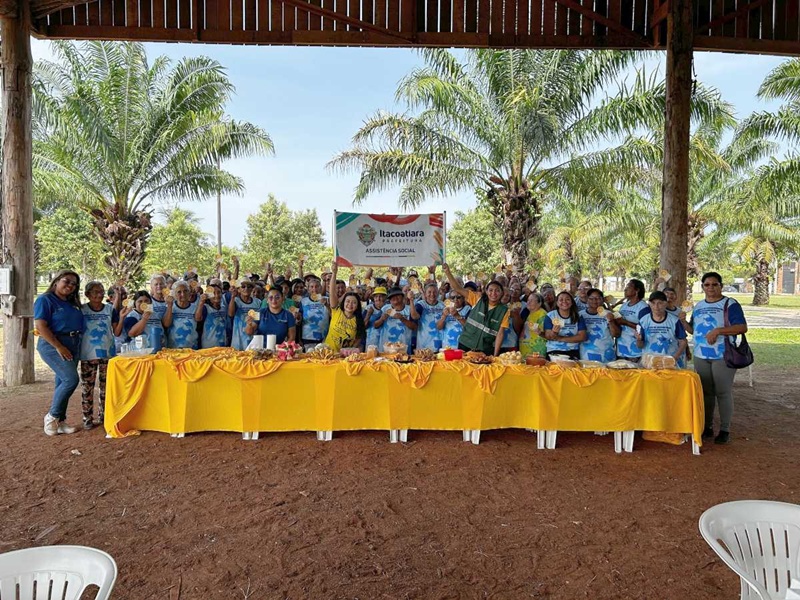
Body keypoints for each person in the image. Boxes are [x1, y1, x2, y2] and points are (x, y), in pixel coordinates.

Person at [680, 272, 748, 445]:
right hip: (701, 355)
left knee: (723, 392)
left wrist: (718, 331)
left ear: (721, 286)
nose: (710, 288)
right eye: (707, 285)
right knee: (706, 392)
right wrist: (683, 322)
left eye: (714, 284)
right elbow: (694, 331)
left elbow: (741, 327)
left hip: (723, 355)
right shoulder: (700, 306)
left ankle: (725, 429)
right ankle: (707, 427)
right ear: (702, 287)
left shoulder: (729, 304)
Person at [34, 270, 85, 436]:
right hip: (54, 344)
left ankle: (60, 422)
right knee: (71, 379)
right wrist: (58, 346)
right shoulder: (45, 300)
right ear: (56, 281)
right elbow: (41, 326)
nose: (70, 285)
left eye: (74, 284)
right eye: (67, 281)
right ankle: (52, 416)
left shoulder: (71, 303)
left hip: (73, 344)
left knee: (61, 382)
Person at [79, 281, 125, 429]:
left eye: (101, 291)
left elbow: (116, 332)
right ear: (87, 295)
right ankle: (87, 418)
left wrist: (122, 317)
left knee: (107, 387)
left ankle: (105, 416)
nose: (99, 295)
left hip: (108, 354)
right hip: (88, 354)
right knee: (87, 387)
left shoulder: (110, 310)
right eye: (95, 292)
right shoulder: (82, 310)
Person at [442, 263, 509, 356]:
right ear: (486, 291)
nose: (494, 293)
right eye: (491, 290)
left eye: (497, 290)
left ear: (502, 293)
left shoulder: (504, 310)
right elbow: (457, 288)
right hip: (465, 344)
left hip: (484, 349)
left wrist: (495, 356)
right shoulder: (477, 298)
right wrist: (447, 272)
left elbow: (500, 334)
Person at [636, 291, 688, 365]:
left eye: (659, 303)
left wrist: (675, 358)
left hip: (670, 362)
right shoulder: (643, 321)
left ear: (665, 303)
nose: (656, 306)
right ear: (649, 304)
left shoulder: (674, 321)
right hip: (650, 363)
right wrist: (639, 340)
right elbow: (640, 346)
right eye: (653, 303)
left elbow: (683, 341)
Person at [323, 263, 365, 351]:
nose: (350, 305)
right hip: (328, 353)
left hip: (344, 358)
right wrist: (334, 273)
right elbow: (332, 292)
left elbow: (358, 339)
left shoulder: (358, 320)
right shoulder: (336, 311)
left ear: (357, 306)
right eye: (348, 301)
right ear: (343, 302)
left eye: (354, 302)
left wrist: (350, 351)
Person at [579, 288, 620, 363]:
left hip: (606, 356)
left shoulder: (609, 314)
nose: (594, 301)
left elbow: (616, 334)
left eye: (598, 298)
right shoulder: (580, 315)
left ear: (602, 300)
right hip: (586, 356)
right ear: (587, 300)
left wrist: (611, 321)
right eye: (591, 298)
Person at [543, 291, 587, 360]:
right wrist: (554, 333)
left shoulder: (578, 316)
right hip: (554, 351)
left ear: (572, 302)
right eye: (561, 300)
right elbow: (548, 336)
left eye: (567, 299)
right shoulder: (550, 315)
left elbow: (582, 337)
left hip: (573, 351)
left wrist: (560, 338)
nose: (564, 301)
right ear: (557, 303)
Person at [375, 287, 417, 353]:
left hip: (403, 349)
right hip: (386, 349)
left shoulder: (409, 309)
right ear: (390, 300)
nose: (395, 297)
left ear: (402, 297)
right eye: (392, 296)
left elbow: (414, 327)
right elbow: (375, 325)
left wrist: (402, 319)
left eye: (397, 295)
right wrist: (381, 319)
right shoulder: (385, 308)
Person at [615, 278, 648, 362]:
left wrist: (626, 323)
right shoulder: (624, 305)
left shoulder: (643, 307)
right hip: (621, 349)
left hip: (635, 351)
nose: (625, 289)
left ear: (637, 290)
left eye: (629, 287)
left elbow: (645, 328)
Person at [225, 279, 261, 350]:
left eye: (249, 287)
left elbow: (257, 320)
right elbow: (231, 314)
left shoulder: (258, 302)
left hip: (253, 338)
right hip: (238, 339)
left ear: (252, 289)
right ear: (239, 289)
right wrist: (232, 297)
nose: (246, 289)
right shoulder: (236, 300)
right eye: (243, 287)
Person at [163, 281, 200, 349]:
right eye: (179, 292)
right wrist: (170, 306)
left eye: (185, 291)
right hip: (173, 349)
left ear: (189, 293)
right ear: (174, 294)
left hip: (192, 349)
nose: (183, 294)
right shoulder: (170, 307)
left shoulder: (195, 308)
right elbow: (166, 324)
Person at [413, 281, 445, 351]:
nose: (432, 294)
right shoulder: (421, 304)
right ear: (425, 293)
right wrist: (411, 300)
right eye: (429, 292)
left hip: (439, 343)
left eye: (435, 292)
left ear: (438, 293)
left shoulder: (443, 305)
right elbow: (415, 316)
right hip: (424, 344)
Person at [300, 276, 330, 348]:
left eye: (317, 286)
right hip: (307, 337)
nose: (314, 289)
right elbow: (299, 320)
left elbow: (333, 315)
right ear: (308, 289)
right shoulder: (303, 301)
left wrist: (327, 305)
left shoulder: (327, 300)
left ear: (321, 288)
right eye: (312, 287)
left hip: (325, 337)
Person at [196, 283, 228, 348]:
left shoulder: (224, 308)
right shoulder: (205, 308)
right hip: (208, 347)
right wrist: (201, 302)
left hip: (223, 345)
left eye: (219, 292)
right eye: (213, 293)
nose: (216, 295)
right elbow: (198, 318)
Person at [518, 292, 548, 359]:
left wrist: (540, 332)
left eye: (531, 300)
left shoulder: (542, 315)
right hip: (526, 351)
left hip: (536, 351)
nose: (528, 302)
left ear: (539, 303)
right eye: (528, 300)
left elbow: (546, 334)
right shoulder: (530, 314)